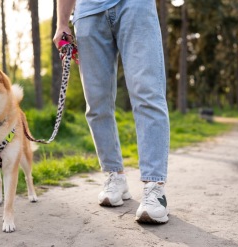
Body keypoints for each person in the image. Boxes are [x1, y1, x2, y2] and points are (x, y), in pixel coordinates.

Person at [53, 0, 170, 224]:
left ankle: (154, 187)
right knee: (96, 104)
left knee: (147, 94)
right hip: (87, 12)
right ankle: (114, 175)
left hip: (135, 6)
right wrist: (62, 22)